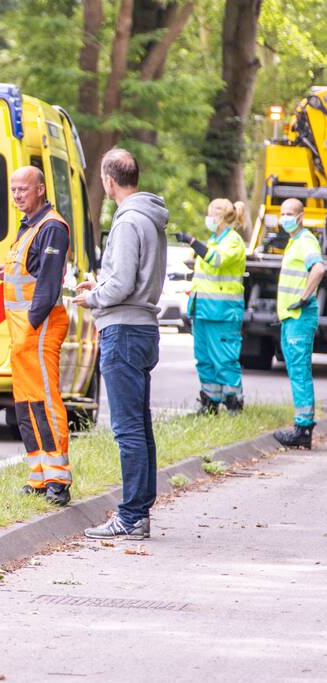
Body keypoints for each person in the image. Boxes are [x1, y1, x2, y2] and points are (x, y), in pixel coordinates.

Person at [72, 149, 168, 540]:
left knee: (127, 429)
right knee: (140, 427)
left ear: (109, 180)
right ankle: (139, 510)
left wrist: (93, 297)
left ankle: (130, 516)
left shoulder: (128, 221)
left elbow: (124, 282)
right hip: (141, 328)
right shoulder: (152, 217)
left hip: (124, 332)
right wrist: (101, 286)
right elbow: (132, 279)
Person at [0, 166, 72, 506]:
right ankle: (38, 476)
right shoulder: (30, 227)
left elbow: (48, 285)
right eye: (14, 189)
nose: (18, 194)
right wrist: (6, 272)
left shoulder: (52, 227)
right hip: (24, 333)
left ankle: (58, 481)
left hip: (39, 329)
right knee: (27, 405)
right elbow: (32, 273)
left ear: (40, 189)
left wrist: (32, 326)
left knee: (45, 403)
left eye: (24, 189)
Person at [170, 199, 248, 414]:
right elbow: (209, 273)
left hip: (222, 313)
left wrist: (192, 241)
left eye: (211, 214)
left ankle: (234, 403)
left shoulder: (233, 241)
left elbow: (216, 261)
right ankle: (210, 401)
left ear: (221, 217)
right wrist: (184, 275)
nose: (209, 219)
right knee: (204, 359)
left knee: (224, 359)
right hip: (204, 310)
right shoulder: (214, 240)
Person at [272, 197, 324, 449]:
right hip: (290, 316)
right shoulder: (294, 242)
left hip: (300, 316)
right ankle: (301, 425)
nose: (285, 218)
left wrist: (303, 298)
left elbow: (319, 269)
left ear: (301, 216)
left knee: (300, 371)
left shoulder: (306, 241)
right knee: (295, 370)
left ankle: (303, 428)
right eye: (282, 213)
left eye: (290, 213)